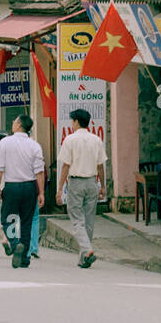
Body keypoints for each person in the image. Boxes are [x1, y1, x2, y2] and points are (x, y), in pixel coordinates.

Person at [56, 111, 108, 269]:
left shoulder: (70, 140)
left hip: (76, 182)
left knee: (77, 219)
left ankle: (87, 249)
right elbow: (100, 165)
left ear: (77, 122)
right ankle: (83, 257)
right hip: (92, 182)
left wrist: (60, 189)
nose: (72, 124)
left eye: (72, 121)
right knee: (89, 220)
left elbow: (65, 165)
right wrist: (103, 186)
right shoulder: (96, 140)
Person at [0, 114, 45, 270]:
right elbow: (39, 171)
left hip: (12, 187)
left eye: (14, 121)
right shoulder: (34, 145)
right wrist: (41, 192)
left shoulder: (5, 143)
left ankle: (15, 244)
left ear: (19, 125)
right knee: (27, 222)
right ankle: (25, 258)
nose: (13, 123)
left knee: (8, 219)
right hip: (30, 187)